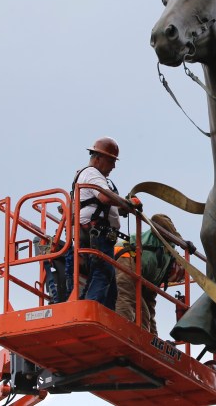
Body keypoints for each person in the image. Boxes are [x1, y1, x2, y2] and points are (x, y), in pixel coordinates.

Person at [64, 136, 138, 310]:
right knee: (103, 272)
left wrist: (123, 206)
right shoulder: (92, 174)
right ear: (98, 158)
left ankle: (102, 313)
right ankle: (88, 310)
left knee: (109, 281)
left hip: (97, 233)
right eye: (111, 160)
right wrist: (127, 203)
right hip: (96, 232)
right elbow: (104, 197)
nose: (114, 166)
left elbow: (104, 201)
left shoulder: (96, 178)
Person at [115, 214, 187, 335]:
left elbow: (150, 307)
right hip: (125, 256)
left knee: (144, 311)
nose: (173, 277)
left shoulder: (158, 277)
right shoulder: (167, 243)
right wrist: (179, 240)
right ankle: (120, 331)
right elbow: (158, 219)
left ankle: (144, 339)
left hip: (136, 268)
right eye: (177, 274)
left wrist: (154, 338)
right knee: (126, 297)